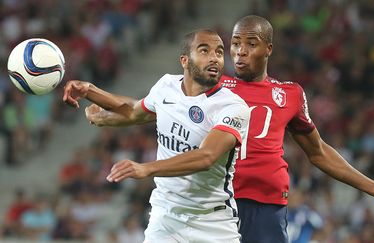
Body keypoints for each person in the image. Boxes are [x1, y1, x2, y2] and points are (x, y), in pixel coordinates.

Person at [220, 15, 374, 243]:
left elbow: (319, 152)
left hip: (266, 206)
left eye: (251, 43)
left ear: (269, 48)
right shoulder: (215, 88)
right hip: (216, 200)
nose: (241, 51)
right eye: (236, 43)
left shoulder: (290, 94)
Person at [63, 29, 250, 242]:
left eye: (218, 52)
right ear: (185, 60)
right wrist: (90, 91)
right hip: (166, 216)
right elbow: (134, 110)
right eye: (204, 50)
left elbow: (206, 156)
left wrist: (146, 168)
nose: (214, 58)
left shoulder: (233, 106)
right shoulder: (166, 86)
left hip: (213, 222)